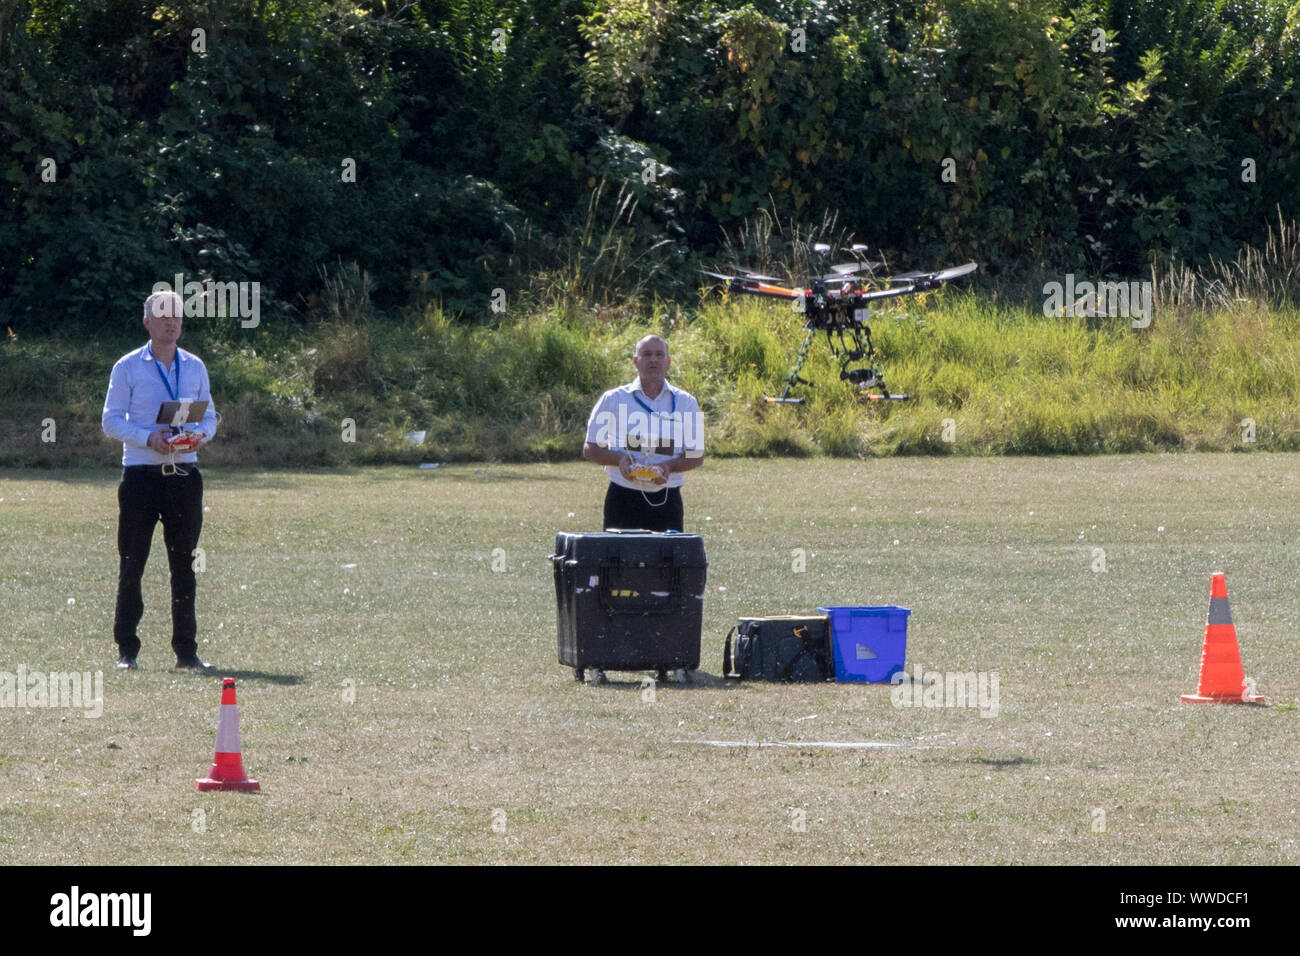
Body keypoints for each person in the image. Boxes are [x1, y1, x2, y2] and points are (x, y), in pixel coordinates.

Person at [102, 290, 219, 670]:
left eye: (177, 316)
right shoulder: (128, 367)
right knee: (132, 561)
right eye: (163, 316)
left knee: (184, 564)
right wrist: (148, 437)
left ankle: (186, 651)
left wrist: (198, 436)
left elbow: (210, 418)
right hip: (140, 477)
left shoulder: (195, 367)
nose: (171, 323)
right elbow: (111, 420)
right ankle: (127, 650)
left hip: (184, 476)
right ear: (147, 321)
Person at [583, 334, 704, 532]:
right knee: (620, 562)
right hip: (622, 497)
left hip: (667, 497)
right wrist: (619, 459)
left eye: (659, 354)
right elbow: (591, 448)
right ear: (636, 361)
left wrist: (669, 466)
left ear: (668, 361)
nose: (653, 360)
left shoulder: (686, 402)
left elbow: (696, 455)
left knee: (667, 562)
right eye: (647, 354)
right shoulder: (614, 399)